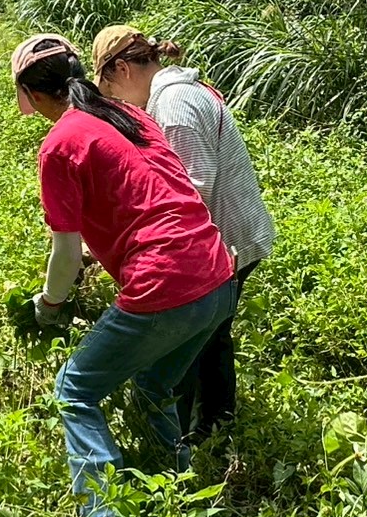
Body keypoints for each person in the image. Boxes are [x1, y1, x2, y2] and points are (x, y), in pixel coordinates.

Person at [12, 34, 237, 517]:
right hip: (218, 276)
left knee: (75, 391)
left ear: (36, 93)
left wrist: (49, 306)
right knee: (154, 385)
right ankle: (178, 480)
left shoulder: (60, 144)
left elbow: (65, 254)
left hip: (167, 283)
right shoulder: (131, 117)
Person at [91, 25, 275, 441]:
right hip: (232, 233)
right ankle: (218, 421)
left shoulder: (173, 104)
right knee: (211, 336)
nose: (118, 104)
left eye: (111, 92)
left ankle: (190, 431)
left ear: (122, 69)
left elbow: (194, 185)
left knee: (189, 341)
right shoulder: (177, 93)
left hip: (227, 238)